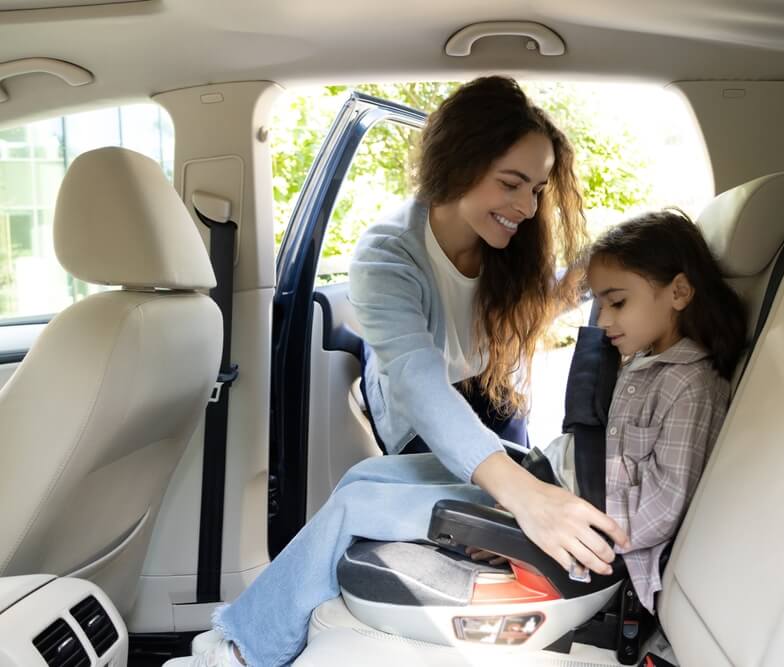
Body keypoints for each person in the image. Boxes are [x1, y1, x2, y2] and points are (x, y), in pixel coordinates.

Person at [170, 76, 628, 667]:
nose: (527, 207)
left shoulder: (511, 245)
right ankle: (241, 643)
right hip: (424, 410)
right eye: (510, 183)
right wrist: (526, 497)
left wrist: (618, 265)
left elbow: (553, 295)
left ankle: (235, 649)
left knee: (363, 499)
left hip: (488, 391)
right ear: (457, 164)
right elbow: (418, 382)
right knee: (362, 486)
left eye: (537, 188)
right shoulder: (387, 254)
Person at [535, 209, 747, 612]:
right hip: (568, 499)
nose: (606, 320)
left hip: (601, 558)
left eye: (617, 302)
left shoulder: (690, 386)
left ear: (679, 293)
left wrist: (555, 523)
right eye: (601, 305)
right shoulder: (640, 361)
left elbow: (661, 508)